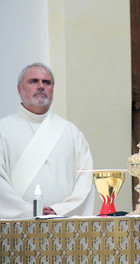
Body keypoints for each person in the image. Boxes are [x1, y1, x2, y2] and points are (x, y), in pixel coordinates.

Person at [0, 63, 95, 218]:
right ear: (19, 89)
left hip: (61, 225)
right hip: (17, 228)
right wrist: (27, 211)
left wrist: (62, 210)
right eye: (33, 81)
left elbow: (85, 179)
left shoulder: (71, 133)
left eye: (47, 82)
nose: (41, 86)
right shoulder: (3, 130)